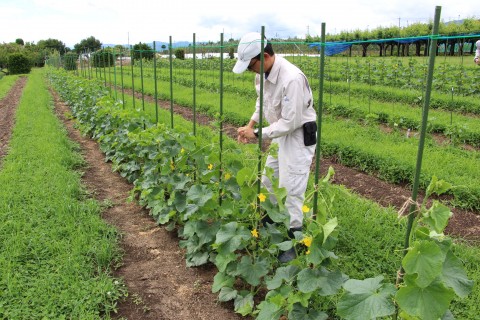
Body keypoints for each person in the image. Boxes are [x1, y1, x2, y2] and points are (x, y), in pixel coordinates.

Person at [233, 32, 317, 262]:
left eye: (251, 66)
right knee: (268, 181)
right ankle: (267, 226)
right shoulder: (262, 75)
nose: (251, 71)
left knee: (292, 188)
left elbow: (290, 122)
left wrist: (257, 134)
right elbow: (262, 102)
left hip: (298, 136)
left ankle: (293, 241)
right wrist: (250, 125)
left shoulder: (292, 78)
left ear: (266, 56)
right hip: (278, 133)